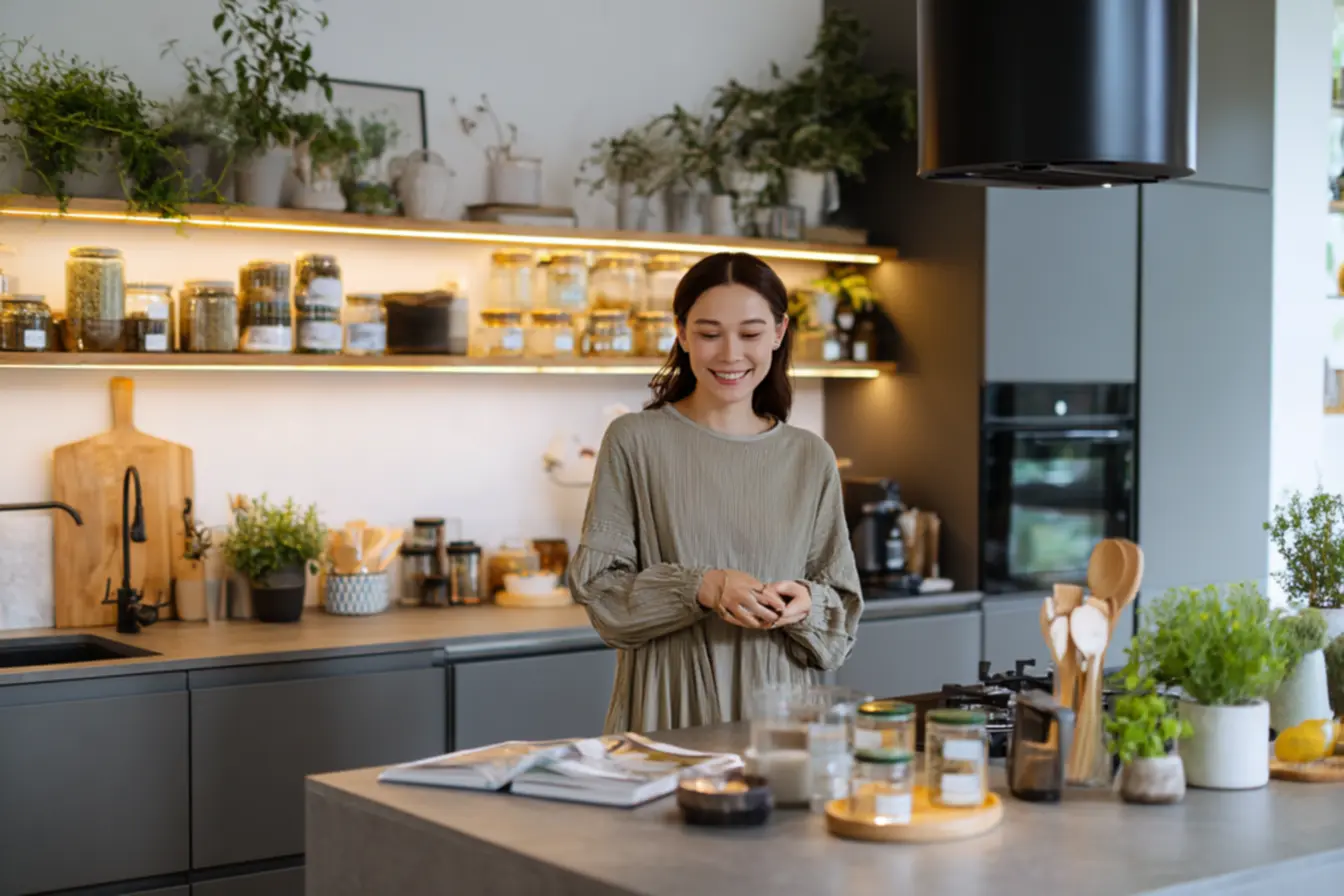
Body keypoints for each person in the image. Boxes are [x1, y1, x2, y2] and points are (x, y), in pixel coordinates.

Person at [567, 251, 863, 734]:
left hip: (781, 713)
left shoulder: (811, 457)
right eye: (709, 334)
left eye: (749, 334)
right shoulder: (634, 440)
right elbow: (603, 596)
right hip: (667, 707)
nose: (730, 354)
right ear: (681, 333)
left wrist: (806, 599)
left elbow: (841, 618)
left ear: (779, 332)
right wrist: (701, 587)